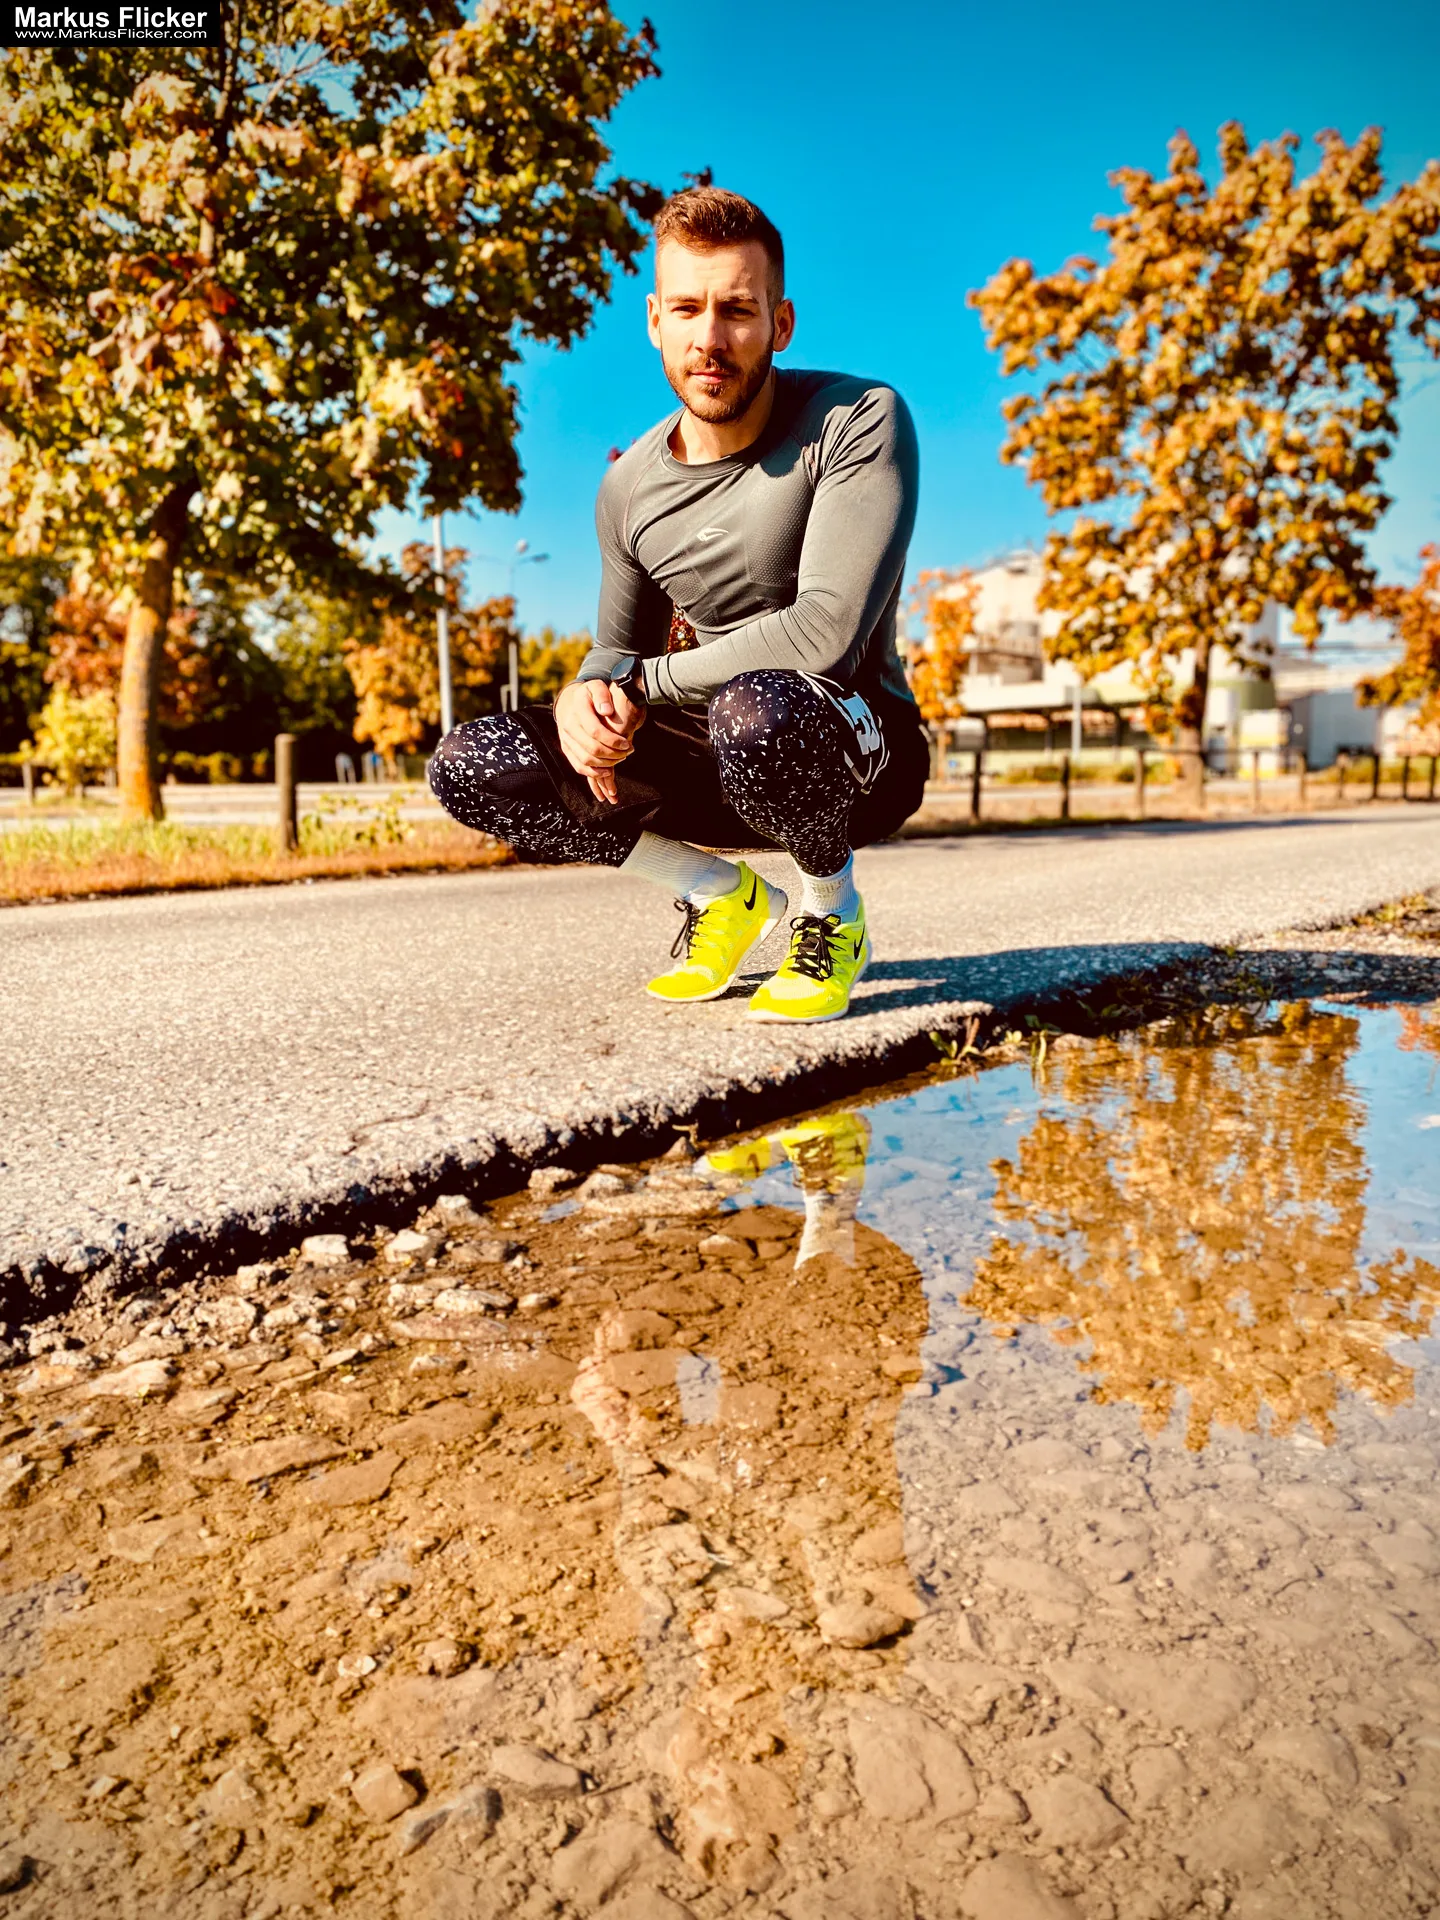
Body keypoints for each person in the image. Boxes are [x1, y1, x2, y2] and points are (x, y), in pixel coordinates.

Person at [428, 185, 927, 1023]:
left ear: (780, 323)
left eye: (738, 310)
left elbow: (825, 633)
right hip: (708, 751)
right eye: (688, 309)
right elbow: (614, 651)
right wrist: (585, 700)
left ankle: (830, 911)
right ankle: (717, 893)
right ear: (655, 320)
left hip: (854, 751)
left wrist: (639, 684)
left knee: (758, 708)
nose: (710, 338)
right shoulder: (628, 486)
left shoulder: (857, 418)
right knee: (471, 764)